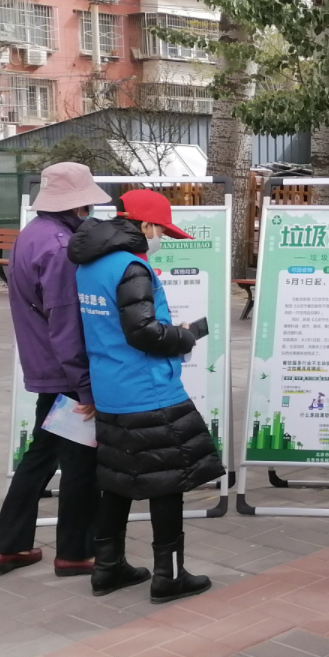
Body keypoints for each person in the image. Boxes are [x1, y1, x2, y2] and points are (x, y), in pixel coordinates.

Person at [69, 189, 224, 601]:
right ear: (146, 225)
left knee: (117, 481)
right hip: (150, 389)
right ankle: (169, 577)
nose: (161, 240)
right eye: (162, 232)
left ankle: (107, 569)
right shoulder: (131, 267)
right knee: (167, 482)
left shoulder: (89, 265)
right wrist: (184, 336)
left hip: (110, 387)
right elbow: (143, 332)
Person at [0, 163, 112, 576]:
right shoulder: (61, 247)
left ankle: (9, 546)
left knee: (40, 457)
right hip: (66, 372)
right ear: (77, 204)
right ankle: (75, 553)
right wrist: (85, 388)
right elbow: (65, 322)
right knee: (80, 464)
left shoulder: (31, 234)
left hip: (47, 365)